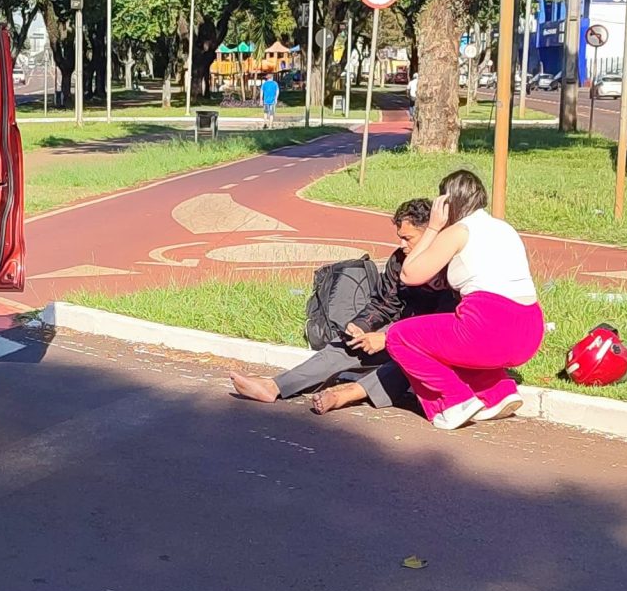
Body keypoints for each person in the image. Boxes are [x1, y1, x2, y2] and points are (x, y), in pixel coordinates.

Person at [227, 197, 458, 413]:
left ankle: (345, 395)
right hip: (397, 330)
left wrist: (389, 339)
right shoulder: (399, 260)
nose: (401, 244)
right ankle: (275, 386)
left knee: (408, 357)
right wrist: (360, 326)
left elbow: (442, 326)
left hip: (429, 342)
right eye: (399, 236)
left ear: (430, 233)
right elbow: (384, 303)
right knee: (347, 343)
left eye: (408, 238)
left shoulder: (452, 268)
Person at [382, 169, 544, 431]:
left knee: (400, 336)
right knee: (450, 335)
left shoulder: (459, 231)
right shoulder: (504, 228)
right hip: (529, 329)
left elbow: (410, 274)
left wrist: (434, 227)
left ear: (446, 203)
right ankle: (499, 392)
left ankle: (454, 400)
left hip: (488, 327)